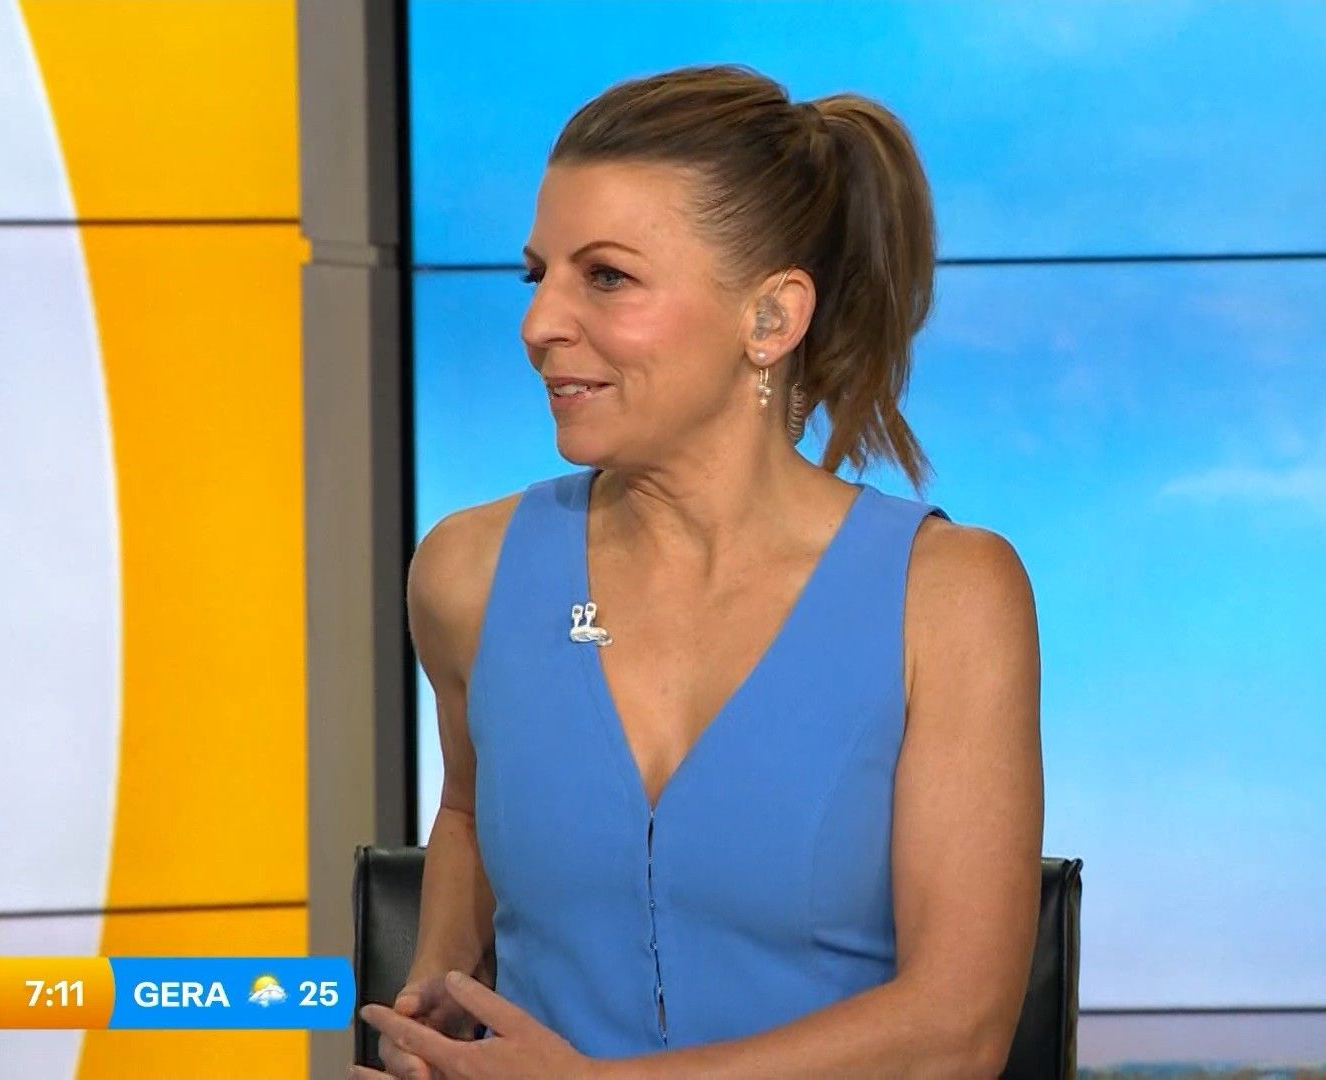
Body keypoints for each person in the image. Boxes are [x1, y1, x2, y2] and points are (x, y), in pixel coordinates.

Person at [356, 63, 1042, 1080]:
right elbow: (467, 814)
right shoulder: (468, 573)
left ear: (771, 319)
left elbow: (957, 1031)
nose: (539, 325)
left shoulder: (947, 596)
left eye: (606, 277)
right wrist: (442, 986)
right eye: (537, 276)